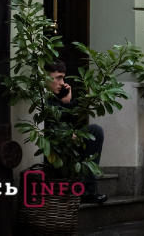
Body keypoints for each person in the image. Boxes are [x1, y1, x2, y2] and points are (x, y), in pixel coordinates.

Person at [46, 59, 108, 204]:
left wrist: (67, 102)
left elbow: (71, 122)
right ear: (45, 79)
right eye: (58, 78)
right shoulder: (41, 98)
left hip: (66, 143)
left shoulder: (58, 97)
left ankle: (87, 189)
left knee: (95, 131)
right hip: (51, 148)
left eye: (63, 77)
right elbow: (49, 124)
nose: (62, 82)